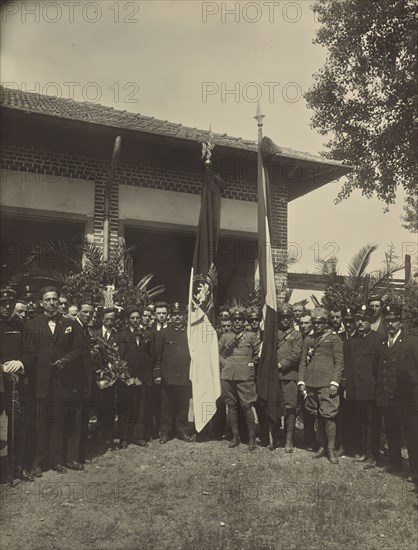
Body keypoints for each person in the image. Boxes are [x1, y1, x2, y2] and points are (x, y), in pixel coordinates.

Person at [22, 286, 82, 475]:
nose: (51, 303)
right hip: (39, 381)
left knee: (58, 421)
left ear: (59, 301)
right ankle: (38, 462)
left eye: (54, 299)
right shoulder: (31, 324)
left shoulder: (69, 323)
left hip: (62, 381)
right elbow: (28, 352)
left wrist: (66, 360)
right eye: (47, 300)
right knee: (40, 422)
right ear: (41, 303)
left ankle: (56, 460)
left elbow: (78, 349)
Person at [376, 304, 417, 485]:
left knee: (411, 434)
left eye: (394, 321)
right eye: (387, 321)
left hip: (408, 396)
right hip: (388, 395)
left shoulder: (411, 342)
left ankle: (415, 470)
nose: (390, 324)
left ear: (401, 321)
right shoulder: (382, 342)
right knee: (391, 430)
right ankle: (395, 463)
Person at [298, 308, 344, 464]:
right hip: (311, 383)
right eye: (315, 322)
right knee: (316, 415)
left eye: (320, 322)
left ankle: (331, 449)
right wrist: (301, 381)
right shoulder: (308, 340)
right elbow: (303, 362)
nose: (317, 325)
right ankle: (322, 446)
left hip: (326, 384)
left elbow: (339, 363)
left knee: (329, 417)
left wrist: (334, 383)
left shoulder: (334, 339)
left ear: (326, 324)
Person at [0, 288, 33, 481]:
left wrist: (20, 363)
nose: (6, 307)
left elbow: (31, 353)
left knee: (19, 426)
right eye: (2, 303)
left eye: (9, 304)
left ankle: (18, 467)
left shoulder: (20, 326)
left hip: (15, 384)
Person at [218, 307, 261, 451]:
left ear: (244, 322)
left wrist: (249, 365)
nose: (237, 323)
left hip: (244, 376)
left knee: (247, 406)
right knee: (231, 405)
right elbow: (217, 353)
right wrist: (225, 364)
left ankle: (251, 437)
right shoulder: (225, 337)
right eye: (235, 320)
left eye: (240, 320)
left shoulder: (251, 336)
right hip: (228, 375)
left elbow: (257, 355)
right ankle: (235, 436)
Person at [344, 304, 380, 469]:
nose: (359, 322)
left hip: (371, 390)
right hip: (355, 390)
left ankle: (372, 455)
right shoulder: (351, 340)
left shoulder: (377, 339)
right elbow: (348, 366)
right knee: (358, 422)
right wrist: (346, 388)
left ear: (370, 321)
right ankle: (363, 452)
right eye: (357, 319)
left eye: (363, 319)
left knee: (372, 423)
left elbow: (379, 367)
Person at [153, 302, 194, 444]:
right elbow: (157, 356)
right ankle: (165, 432)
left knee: (183, 406)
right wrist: (157, 374)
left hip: (184, 375)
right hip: (168, 376)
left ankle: (182, 431)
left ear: (184, 316)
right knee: (166, 407)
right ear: (170, 316)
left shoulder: (189, 333)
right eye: (175, 314)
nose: (177, 317)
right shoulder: (163, 334)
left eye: (180, 314)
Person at [116, 306, 154, 448]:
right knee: (126, 405)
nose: (135, 320)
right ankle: (124, 436)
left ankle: (139, 435)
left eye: (138, 318)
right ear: (127, 320)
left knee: (141, 406)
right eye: (132, 318)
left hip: (143, 375)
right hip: (128, 376)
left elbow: (151, 354)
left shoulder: (147, 334)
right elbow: (119, 356)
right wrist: (127, 375)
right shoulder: (122, 335)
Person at [276, 304, 303, 453]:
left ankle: (289, 439)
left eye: (288, 318)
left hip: (289, 376)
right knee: (275, 406)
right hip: (275, 377)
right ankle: (276, 436)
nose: (285, 320)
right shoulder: (273, 333)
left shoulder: (297, 335)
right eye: (282, 318)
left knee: (290, 408)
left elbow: (296, 355)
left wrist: (280, 364)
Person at [74, 302, 96, 467]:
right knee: (75, 420)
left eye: (91, 313)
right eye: (85, 312)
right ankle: (72, 456)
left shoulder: (86, 330)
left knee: (83, 420)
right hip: (76, 383)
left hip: (86, 382)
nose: (88, 315)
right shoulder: (73, 328)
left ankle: (80, 454)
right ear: (78, 312)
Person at [92, 308, 118, 442]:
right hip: (98, 374)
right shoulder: (94, 334)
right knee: (98, 404)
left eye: (112, 319)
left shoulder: (117, 335)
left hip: (112, 375)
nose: (109, 322)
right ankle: (98, 430)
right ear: (102, 319)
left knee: (110, 404)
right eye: (107, 319)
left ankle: (108, 432)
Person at [298, 310, 316, 451]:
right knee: (303, 409)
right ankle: (308, 439)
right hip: (298, 376)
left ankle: (314, 441)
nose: (303, 325)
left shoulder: (315, 338)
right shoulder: (298, 336)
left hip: (313, 377)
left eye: (307, 323)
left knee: (312, 410)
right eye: (301, 323)